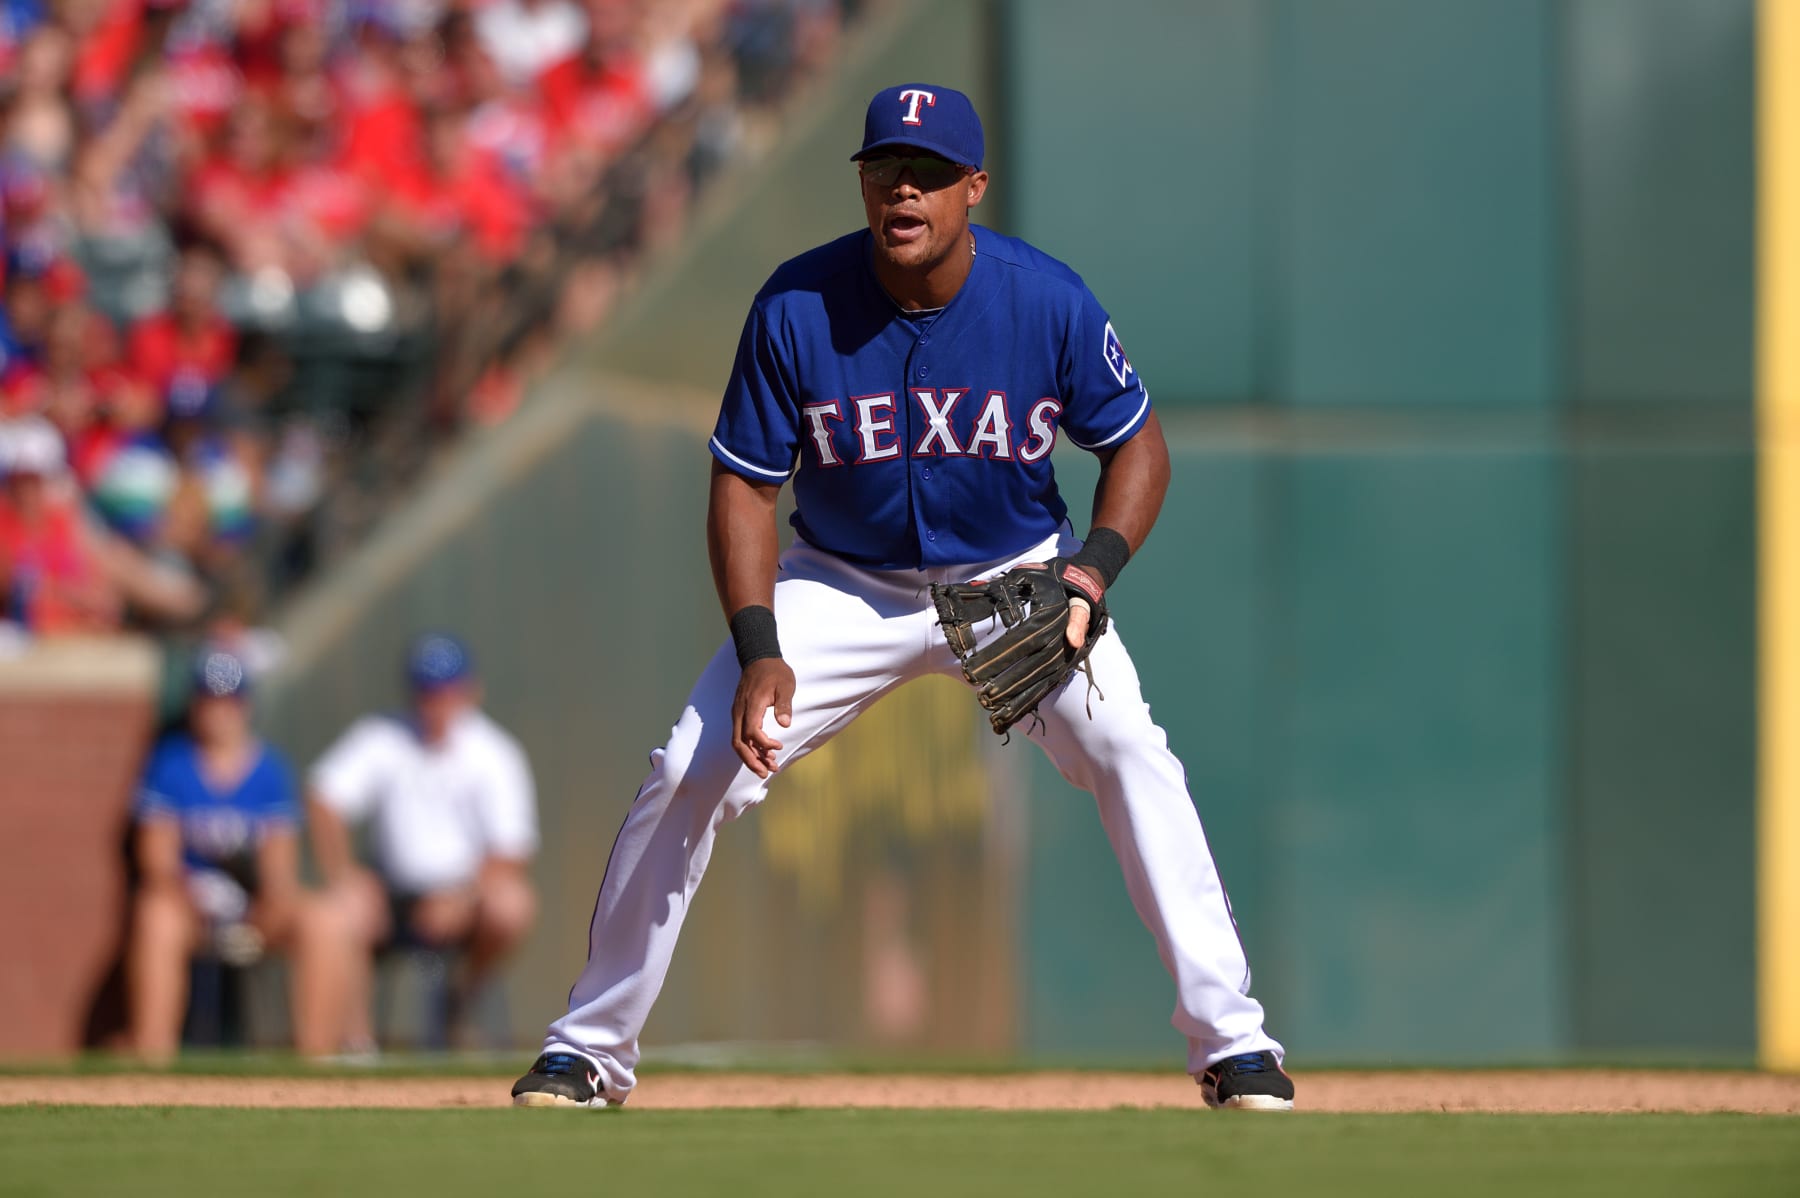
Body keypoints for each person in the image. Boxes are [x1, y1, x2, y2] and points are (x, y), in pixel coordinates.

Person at [511, 83, 1295, 1111]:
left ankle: (1233, 1042)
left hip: (1015, 572)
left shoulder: (1044, 298)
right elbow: (746, 482)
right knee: (691, 765)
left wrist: (1091, 571)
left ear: (974, 187)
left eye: (927, 173)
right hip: (842, 581)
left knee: (1127, 749)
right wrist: (759, 645)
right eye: (885, 170)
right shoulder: (797, 305)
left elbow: (1136, 445)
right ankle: (589, 1045)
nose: (904, 190)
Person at [306, 632, 539, 1052]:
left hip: (463, 894)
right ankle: (357, 1045)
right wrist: (345, 875)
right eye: (427, 692)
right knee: (343, 907)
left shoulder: (495, 752)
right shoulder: (383, 735)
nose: (437, 704)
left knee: (512, 905)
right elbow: (324, 797)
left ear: (470, 691)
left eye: (447, 691)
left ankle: (462, 999)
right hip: (391, 892)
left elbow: (512, 852)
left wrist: (462, 896)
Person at [128, 647, 336, 1061]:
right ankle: (151, 1055)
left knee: (321, 919)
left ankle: (317, 1057)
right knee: (155, 914)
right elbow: (155, 857)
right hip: (192, 905)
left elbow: (280, 866)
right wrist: (190, 896)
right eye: (209, 701)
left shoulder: (270, 770)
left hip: (252, 906)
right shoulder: (171, 764)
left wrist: (264, 904)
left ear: (245, 707)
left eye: (228, 703)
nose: (218, 714)